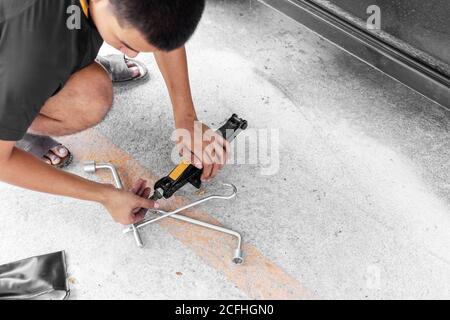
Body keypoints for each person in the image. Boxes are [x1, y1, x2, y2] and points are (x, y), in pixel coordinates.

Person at [0, 0, 230, 225]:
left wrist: (187, 120)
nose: (132, 55)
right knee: (89, 100)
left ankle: (85, 55)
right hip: (14, 59)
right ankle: (15, 126)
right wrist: (104, 195)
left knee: (89, 71)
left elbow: (164, 23)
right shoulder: (30, 56)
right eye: (124, 44)